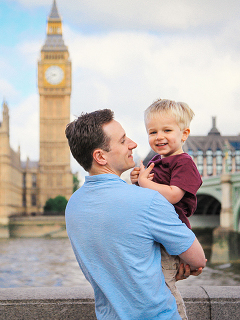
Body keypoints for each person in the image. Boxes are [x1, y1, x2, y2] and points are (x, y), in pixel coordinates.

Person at [65, 109, 206, 320]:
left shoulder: (73, 205)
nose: (133, 144)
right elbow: (197, 258)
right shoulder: (148, 200)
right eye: (123, 141)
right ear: (100, 156)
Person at [130, 99, 203, 319]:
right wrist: (136, 180)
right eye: (152, 132)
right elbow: (148, 194)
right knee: (153, 286)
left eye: (167, 130)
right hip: (155, 235)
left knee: (163, 288)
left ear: (184, 134)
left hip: (169, 235)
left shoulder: (184, 163)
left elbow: (173, 195)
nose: (159, 136)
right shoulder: (157, 161)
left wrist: (145, 183)